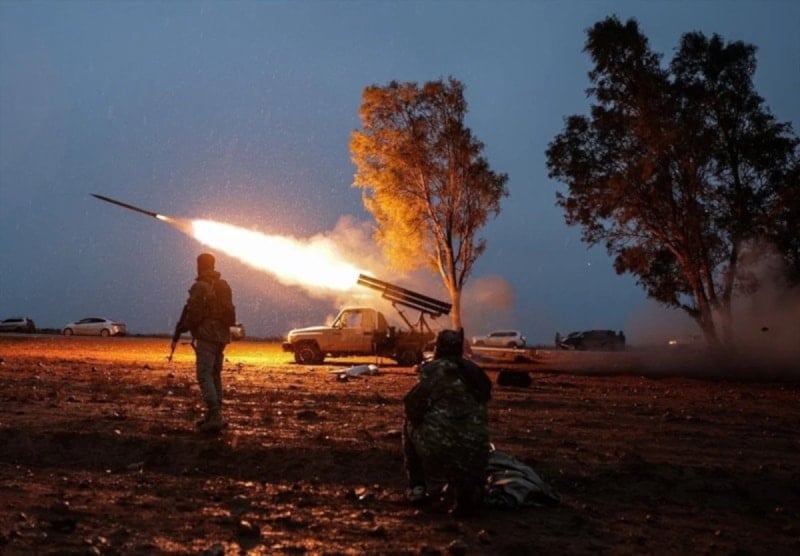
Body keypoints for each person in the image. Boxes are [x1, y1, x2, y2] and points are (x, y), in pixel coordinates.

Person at [402, 328, 493, 517]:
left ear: (438, 347)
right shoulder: (475, 372)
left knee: (408, 424)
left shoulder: (434, 370)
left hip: (443, 446)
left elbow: (412, 406)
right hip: (477, 448)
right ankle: (468, 487)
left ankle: (417, 488)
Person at [172, 253, 234, 433]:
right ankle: (215, 414)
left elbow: (194, 314)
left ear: (200, 266)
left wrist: (183, 327)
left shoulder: (200, 287)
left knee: (204, 375)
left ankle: (215, 416)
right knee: (214, 375)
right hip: (221, 336)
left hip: (207, 336)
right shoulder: (223, 285)